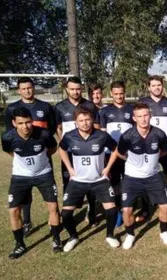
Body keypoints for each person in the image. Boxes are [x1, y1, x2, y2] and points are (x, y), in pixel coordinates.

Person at [1, 107, 62, 259]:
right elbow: (10, 152)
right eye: (21, 123)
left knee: (53, 207)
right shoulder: (7, 137)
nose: (25, 126)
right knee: (14, 211)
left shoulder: (44, 134)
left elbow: (52, 149)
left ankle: (56, 240)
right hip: (20, 177)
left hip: (44, 175)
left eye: (28, 122)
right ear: (14, 123)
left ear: (32, 121)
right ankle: (19, 244)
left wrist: (40, 164)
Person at [58, 107, 121, 251]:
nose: (85, 123)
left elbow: (115, 149)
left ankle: (110, 235)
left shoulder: (101, 136)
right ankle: (73, 236)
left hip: (99, 180)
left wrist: (107, 168)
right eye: (81, 120)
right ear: (76, 122)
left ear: (92, 120)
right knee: (66, 214)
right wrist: (69, 168)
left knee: (111, 210)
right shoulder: (69, 136)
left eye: (87, 119)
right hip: (78, 181)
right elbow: (61, 149)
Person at [4, 77, 56, 236]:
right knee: (24, 194)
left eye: (29, 87)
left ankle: (52, 222)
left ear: (34, 88)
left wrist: (42, 151)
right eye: (23, 88)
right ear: (19, 90)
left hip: (43, 155)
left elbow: (51, 130)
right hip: (23, 159)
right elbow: (9, 135)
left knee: (48, 193)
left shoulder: (45, 106)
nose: (27, 91)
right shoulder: (12, 108)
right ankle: (26, 221)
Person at [117, 103, 167, 249]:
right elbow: (120, 153)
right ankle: (130, 234)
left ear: (150, 116)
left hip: (153, 176)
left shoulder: (159, 134)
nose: (143, 119)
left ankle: (164, 231)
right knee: (127, 210)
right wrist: (133, 163)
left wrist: (151, 164)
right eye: (139, 116)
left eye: (146, 115)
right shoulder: (127, 136)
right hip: (132, 177)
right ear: (134, 118)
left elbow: (164, 151)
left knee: (165, 205)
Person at [54, 77, 100, 226]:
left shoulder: (90, 105)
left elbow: (97, 126)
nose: (75, 91)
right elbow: (58, 127)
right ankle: (70, 214)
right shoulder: (60, 107)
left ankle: (91, 212)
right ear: (67, 89)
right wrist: (65, 143)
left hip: (88, 151)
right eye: (72, 89)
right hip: (70, 153)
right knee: (69, 183)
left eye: (78, 89)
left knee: (92, 182)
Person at [139, 75, 167, 217]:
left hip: (166, 146)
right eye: (154, 85)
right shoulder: (142, 103)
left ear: (162, 86)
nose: (157, 87)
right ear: (149, 87)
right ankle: (146, 208)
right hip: (147, 147)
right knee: (145, 175)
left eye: (159, 85)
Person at [99, 81, 134, 224]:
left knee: (128, 181)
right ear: (111, 94)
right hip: (110, 154)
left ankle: (128, 206)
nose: (119, 96)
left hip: (128, 154)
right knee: (113, 182)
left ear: (124, 93)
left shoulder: (131, 110)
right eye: (116, 94)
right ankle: (117, 208)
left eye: (121, 93)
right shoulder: (104, 111)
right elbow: (103, 134)